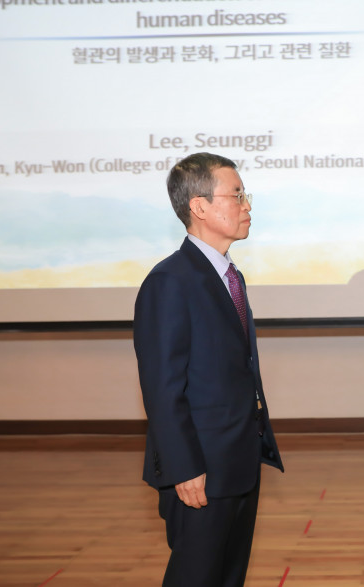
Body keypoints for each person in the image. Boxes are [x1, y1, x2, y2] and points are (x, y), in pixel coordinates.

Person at [134, 152, 284, 586]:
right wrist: (183, 467)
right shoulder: (170, 281)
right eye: (237, 196)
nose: (247, 206)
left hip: (238, 461)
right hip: (199, 469)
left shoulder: (227, 275)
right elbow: (163, 388)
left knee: (228, 577)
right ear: (199, 206)